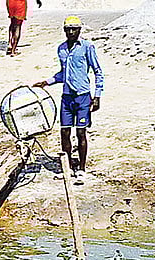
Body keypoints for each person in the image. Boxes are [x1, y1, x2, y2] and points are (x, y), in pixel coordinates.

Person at [33, 15, 105, 184]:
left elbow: (97, 71)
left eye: (74, 29)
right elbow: (63, 74)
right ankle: (67, 167)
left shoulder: (87, 47)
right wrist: (47, 82)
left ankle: (81, 169)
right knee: (64, 132)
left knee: (81, 132)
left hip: (82, 96)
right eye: (68, 29)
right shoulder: (61, 49)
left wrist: (97, 96)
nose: (71, 32)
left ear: (79, 30)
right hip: (67, 97)